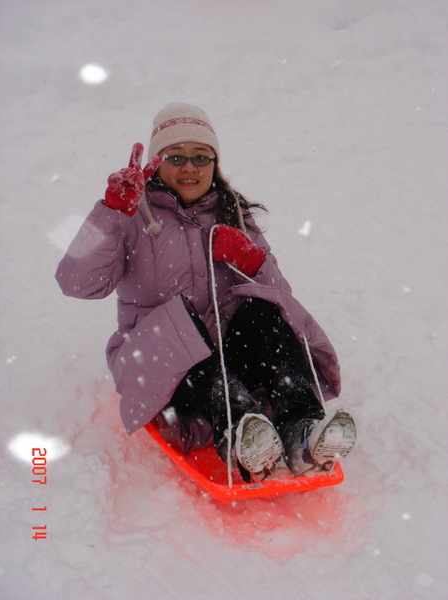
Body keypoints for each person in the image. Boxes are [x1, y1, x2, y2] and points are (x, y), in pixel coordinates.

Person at [56, 102, 356, 482]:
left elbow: (282, 296)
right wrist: (113, 212)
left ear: (215, 163)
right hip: (161, 363)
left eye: (201, 157)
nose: (189, 167)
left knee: (266, 312)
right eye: (175, 156)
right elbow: (77, 283)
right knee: (179, 328)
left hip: (228, 354)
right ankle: (241, 433)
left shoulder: (231, 210)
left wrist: (253, 264)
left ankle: (302, 430)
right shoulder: (131, 214)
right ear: (156, 162)